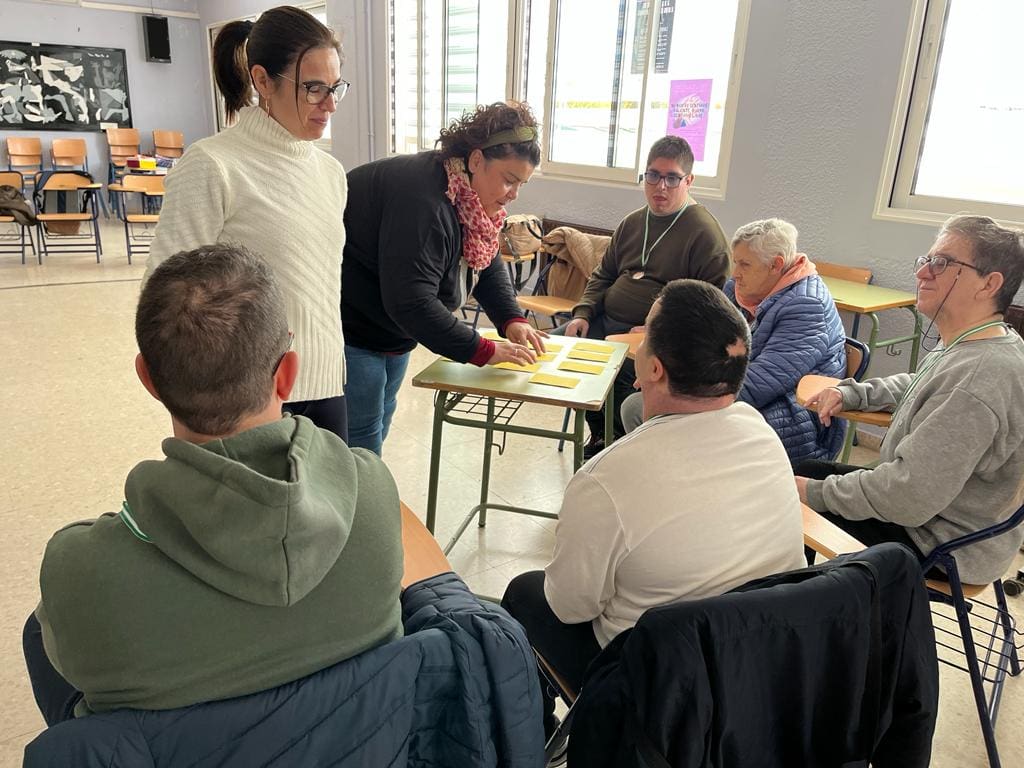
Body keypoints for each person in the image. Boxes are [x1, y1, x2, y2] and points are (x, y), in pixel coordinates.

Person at [23, 246, 403, 725]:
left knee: (38, 631)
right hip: (356, 743)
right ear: (288, 374)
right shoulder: (373, 491)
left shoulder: (80, 570)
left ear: (148, 379)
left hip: (176, 749)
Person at [502, 279, 806, 741]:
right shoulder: (760, 432)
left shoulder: (605, 478)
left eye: (645, 333)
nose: (639, 339)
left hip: (660, 689)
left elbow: (569, 607)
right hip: (760, 662)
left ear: (654, 369)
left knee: (525, 593)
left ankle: (540, 734)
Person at [145, 6, 351, 441]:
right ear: (262, 81)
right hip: (246, 404)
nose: (330, 104)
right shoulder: (213, 164)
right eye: (313, 88)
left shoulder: (330, 173)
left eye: (335, 88)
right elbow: (163, 294)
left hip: (327, 386)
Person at [797, 215, 1024, 584]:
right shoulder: (984, 342)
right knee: (805, 471)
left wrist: (812, 493)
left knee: (791, 495)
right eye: (927, 260)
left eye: (942, 263)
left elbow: (906, 497)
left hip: (941, 543)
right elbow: (920, 384)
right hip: (942, 518)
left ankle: (803, 606)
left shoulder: (979, 377)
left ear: (989, 284)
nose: (922, 273)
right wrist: (851, 392)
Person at [342, 101, 547, 455]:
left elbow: (485, 258)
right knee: (360, 437)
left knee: (379, 419)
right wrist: (481, 349)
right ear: (477, 160)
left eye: (521, 184)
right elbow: (411, 301)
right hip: (353, 324)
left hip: (391, 327)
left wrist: (511, 318)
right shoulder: (423, 199)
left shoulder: (466, 193)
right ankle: (359, 491)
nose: (513, 194)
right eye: (509, 180)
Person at [621, 218, 846, 465]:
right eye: (735, 261)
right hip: (743, 396)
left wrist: (679, 389)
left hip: (791, 417)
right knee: (638, 404)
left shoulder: (807, 306)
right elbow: (700, 341)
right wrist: (661, 366)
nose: (735, 273)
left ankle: (680, 479)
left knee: (645, 411)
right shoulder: (740, 288)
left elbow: (762, 382)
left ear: (776, 265)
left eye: (745, 264)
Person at [561, 136, 730, 457]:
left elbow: (710, 308)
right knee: (558, 348)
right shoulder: (633, 222)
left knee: (621, 372)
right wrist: (583, 312)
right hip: (605, 321)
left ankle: (619, 442)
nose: (660, 186)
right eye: (653, 175)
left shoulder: (705, 234)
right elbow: (603, 274)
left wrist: (660, 331)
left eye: (671, 178)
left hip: (652, 336)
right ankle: (600, 431)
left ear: (689, 180)